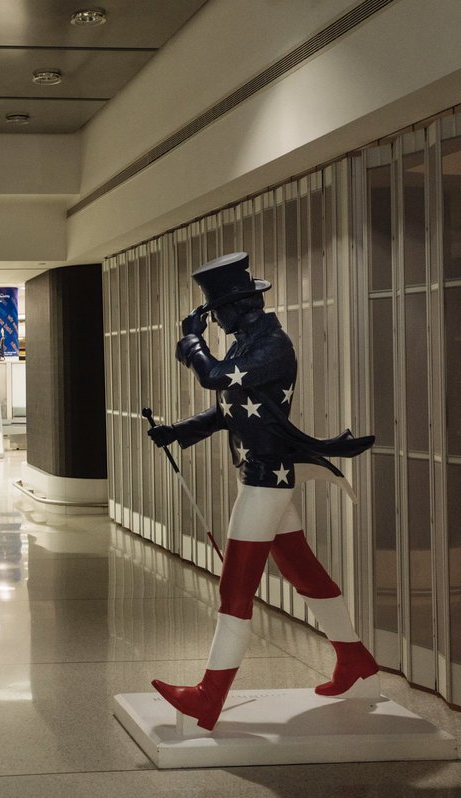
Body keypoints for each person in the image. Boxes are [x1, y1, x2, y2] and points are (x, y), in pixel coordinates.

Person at [145, 252, 377, 731]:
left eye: (215, 312)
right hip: (263, 474)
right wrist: (179, 432)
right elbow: (232, 407)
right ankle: (354, 657)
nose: (215, 320)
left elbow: (213, 378)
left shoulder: (272, 346)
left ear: (235, 307)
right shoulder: (248, 344)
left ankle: (209, 697)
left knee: (236, 589)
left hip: (265, 481)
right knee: (304, 572)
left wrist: (191, 341)